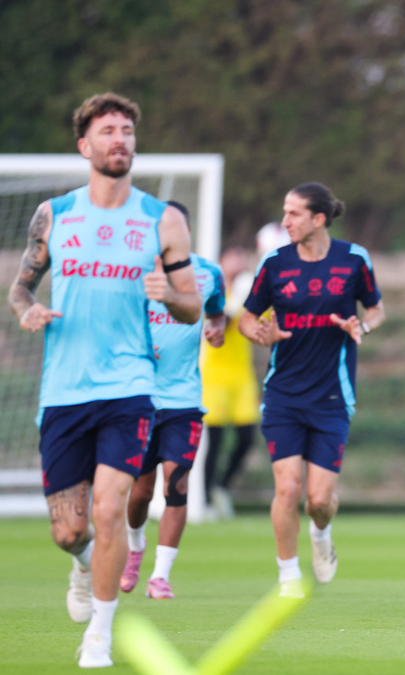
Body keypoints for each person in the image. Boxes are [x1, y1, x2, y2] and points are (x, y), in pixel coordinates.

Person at [6, 92, 201, 667]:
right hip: (64, 391)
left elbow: (192, 304)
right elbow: (21, 287)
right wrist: (26, 310)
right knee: (70, 532)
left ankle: (100, 634)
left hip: (129, 387)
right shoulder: (55, 215)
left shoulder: (161, 219)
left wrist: (172, 296)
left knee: (110, 509)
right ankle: (83, 563)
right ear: (84, 145)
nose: (120, 140)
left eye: (127, 132)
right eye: (108, 131)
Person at [239, 182, 385, 598]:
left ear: (319, 219)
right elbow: (247, 318)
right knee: (287, 488)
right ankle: (288, 576)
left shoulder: (353, 259)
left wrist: (362, 326)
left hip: (332, 397)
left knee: (318, 500)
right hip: (282, 395)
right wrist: (261, 334)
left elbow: (376, 309)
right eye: (284, 212)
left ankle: (321, 535)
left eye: (294, 213)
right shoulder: (274, 263)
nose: (285, 221)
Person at [120, 201, 226, 599]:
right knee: (140, 492)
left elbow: (216, 311)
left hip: (184, 401)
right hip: (139, 399)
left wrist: (217, 328)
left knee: (176, 483)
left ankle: (160, 576)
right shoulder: (132, 273)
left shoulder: (209, 273)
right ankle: (135, 548)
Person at [200, 247, 260, 518]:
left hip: (242, 376)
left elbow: (261, 321)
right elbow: (220, 318)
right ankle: (205, 502)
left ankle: (221, 488)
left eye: (241, 257)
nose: (238, 262)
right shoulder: (212, 291)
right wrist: (235, 307)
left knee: (247, 438)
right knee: (214, 442)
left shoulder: (248, 292)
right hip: (214, 376)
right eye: (232, 257)